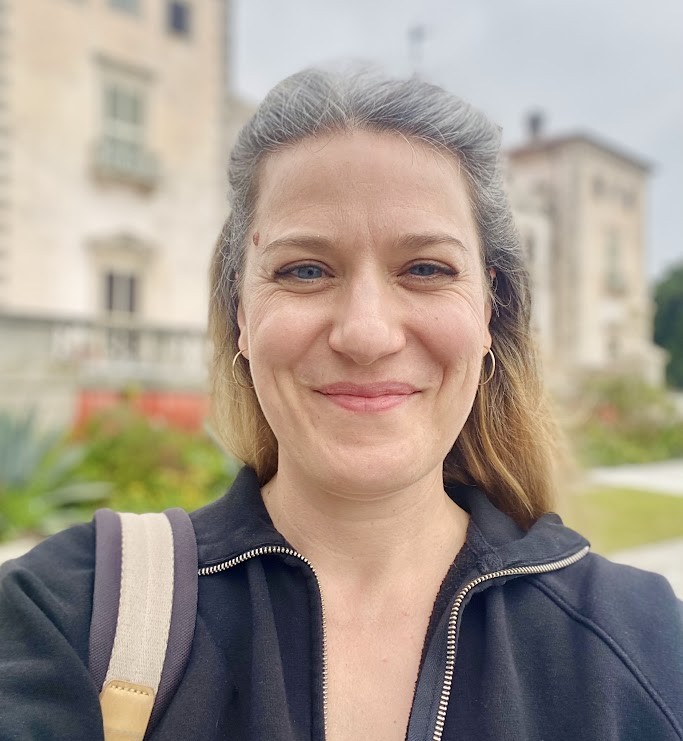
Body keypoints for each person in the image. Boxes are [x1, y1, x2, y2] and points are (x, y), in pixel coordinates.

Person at [1, 68, 682, 741]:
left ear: (487, 311)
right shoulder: (66, 613)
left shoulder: (644, 640)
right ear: (242, 314)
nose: (366, 333)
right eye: (304, 270)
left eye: (425, 268)